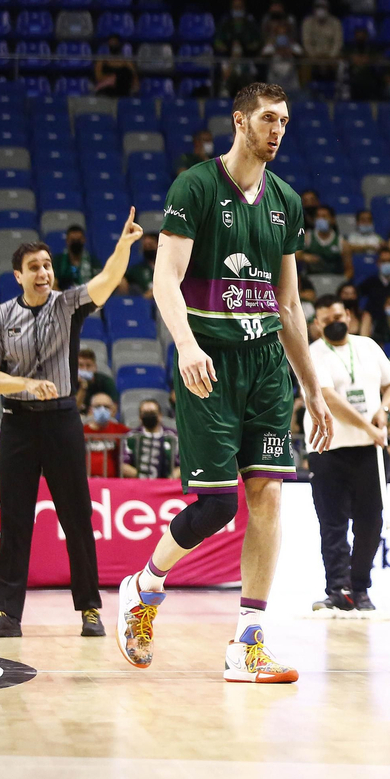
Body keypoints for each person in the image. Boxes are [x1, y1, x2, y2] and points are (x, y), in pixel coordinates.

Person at [114, 83, 335, 683]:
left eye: (285, 120)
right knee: (215, 505)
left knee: (268, 495)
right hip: (209, 359)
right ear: (240, 121)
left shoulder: (286, 199)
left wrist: (311, 388)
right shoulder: (196, 186)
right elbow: (166, 277)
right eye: (268, 118)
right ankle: (145, 584)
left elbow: (289, 305)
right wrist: (185, 345)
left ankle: (248, 642)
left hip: (266, 367)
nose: (277, 129)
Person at [0, 216, 141, 640]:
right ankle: (6, 614)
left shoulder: (68, 304)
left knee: (78, 517)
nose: (44, 272)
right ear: (17, 275)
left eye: (47, 265)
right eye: (34, 267)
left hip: (63, 422)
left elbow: (106, 280)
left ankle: (90, 610)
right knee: (15, 520)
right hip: (17, 424)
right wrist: (25, 384)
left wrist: (124, 248)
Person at [307, 294, 390, 613]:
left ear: (347, 315)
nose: (333, 322)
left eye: (337, 315)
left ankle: (360, 589)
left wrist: (384, 412)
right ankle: (338, 589)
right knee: (332, 524)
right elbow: (329, 398)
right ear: (317, 324)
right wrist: (368, 426)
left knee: (370, 523)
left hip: (369, 452)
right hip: (328, 448)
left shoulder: (369, 346)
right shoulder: (312, 353)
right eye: (325, 319)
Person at [123, 398, 179, 479]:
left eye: (152, 412)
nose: (149, 415)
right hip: (138, 483)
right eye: (145, 413)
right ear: (140, 417)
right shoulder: (131, 437)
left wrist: (168, 480)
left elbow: (181, 465)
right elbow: (124, 466)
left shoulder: (173, 436)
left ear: (160, 416)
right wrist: (143, 478)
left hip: (167, 484)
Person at [356, 247, 390, 325]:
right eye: (383, 261)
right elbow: (357, 296)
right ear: (378, 263)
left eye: (389, 261)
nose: (387, 264)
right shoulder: (370, 282)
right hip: (374, 322)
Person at [84, 392, 130, 478]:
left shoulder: (120, 430)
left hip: (112, 482)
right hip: (87, 481)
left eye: (106, 407)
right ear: (90, 410)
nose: (102, 410)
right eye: (97, 406)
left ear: (113, 410)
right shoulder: (82, 431)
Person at [301, 0, 343, 89]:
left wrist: (330, 56)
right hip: (313, 56)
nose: (320, 10)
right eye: (318, 7)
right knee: (303, 64)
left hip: (331, 56)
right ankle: (304, 91)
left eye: (323, 7)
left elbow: (337, 43)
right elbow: (306, 43)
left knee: (341, 64)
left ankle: (340, 91)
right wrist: (314, 56)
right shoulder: (307, 22)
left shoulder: (335, 22)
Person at [298, 204, 345, 275]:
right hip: (310, 278)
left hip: (334, 278)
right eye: (318, 216)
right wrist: (304, 257)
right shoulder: (306, 237)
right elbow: (295, 255)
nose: (320, 219)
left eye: (324, 217)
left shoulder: (341, 242)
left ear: (332, 219)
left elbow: (349, 269)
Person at [53, 225, 102, 289]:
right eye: (73, 240)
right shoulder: (58, 261)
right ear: (67, 241)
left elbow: (100, 284)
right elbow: (53, 284)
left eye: (78, 239)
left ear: (84, 240)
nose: (76, 242)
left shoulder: (93, 261)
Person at [75, 348, 119, 413]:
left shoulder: (106, 382)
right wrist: (83, 388)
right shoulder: (70, 383)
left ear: (95, 367)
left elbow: (114, 409)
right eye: (81, 365)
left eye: (88, 366)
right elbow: (74, 410)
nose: (85, 369)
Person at [124, 232, 159, 297]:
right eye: (145, 246)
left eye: (150, 245)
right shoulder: (138, 269)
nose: (148, 249)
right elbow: (123, 279)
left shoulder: (169, 266)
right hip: (148, 303)